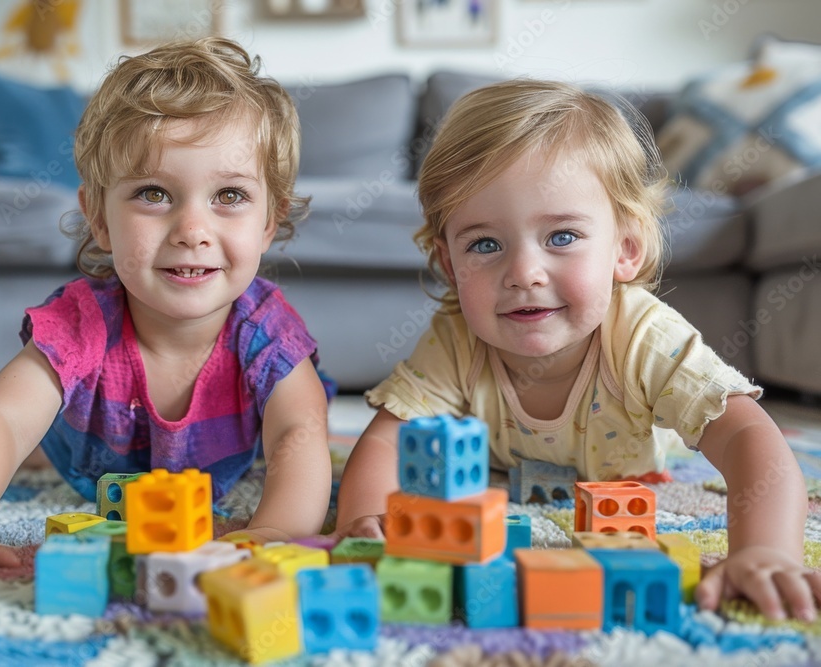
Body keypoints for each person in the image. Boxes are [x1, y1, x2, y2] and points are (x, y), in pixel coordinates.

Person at [334, 79, 821, 622]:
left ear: (626, 250)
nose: (523, 274)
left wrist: (765, 551)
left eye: (561, 236)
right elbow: (387, 440)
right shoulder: (456, 337)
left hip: (627, 485)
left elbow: (751, 438)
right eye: (485, 245)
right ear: (451, 266)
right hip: (498, 485)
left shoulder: (642, 337)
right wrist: (366, 519)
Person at [0, 37, 332, 590]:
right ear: (101, 220)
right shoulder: (81, 324)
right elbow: (0, 420)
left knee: (306, 410)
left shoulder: (265, 333)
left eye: (229, 196)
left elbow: (298, 435)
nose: (192, 231)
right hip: (86, 460)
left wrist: (274, 530)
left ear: (268, 223)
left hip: (220, 462)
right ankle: (47, 447)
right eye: (154, 193)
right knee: (30, 430)